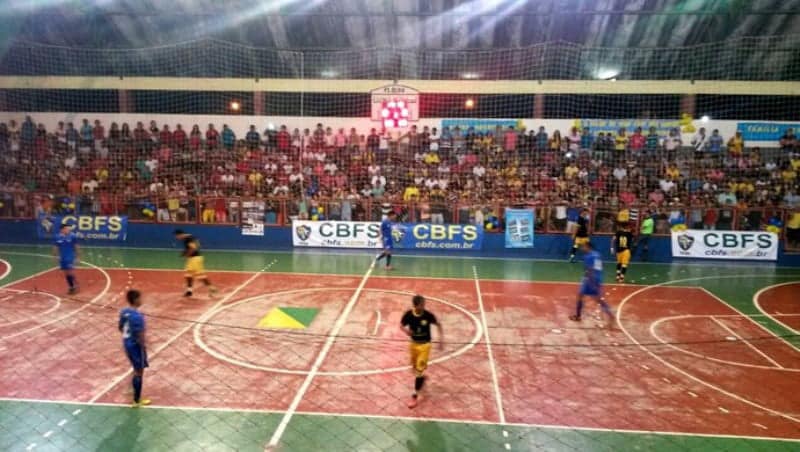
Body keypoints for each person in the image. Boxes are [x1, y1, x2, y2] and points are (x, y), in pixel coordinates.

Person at [400, 294, 443, 409]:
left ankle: (414, 396)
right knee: (415, 370)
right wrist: (406, 331)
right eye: (422, 305)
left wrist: (441, 340)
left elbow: (439, 324)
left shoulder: (428, 315)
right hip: (413, 345)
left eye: (424, 304)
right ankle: (422, 378)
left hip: (425, 346)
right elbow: (401, 325)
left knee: (418, 372)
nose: (424, 306)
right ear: (416, 305)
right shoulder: (409, 314)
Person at [569, 241, 615, 328]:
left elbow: (589, 270)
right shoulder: (597, 254)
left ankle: (611, 317)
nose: (582, 248)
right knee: (580, 295)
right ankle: (578, 316)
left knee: (598, 299)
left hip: (591, 280)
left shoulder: (588, 256)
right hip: (597, 278)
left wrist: (591, 282)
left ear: (588, 247)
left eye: (583, 247)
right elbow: (599, 267)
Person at [119, 289, 150, 407]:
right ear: (136, 300)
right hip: (135, 346)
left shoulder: (124, 312)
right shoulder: (138, 316)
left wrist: (127, 339)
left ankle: (131, 388)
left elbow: (120, 327)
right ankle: (136, 400)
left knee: (135, 368)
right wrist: (143, 345)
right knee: (139, 371)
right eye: (140, 298)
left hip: (126, 343)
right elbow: (140, 334)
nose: (142, 300)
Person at [174, 229, 217, 297]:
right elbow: (196, 245)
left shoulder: (187, 238)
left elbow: (193, 248)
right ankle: (189, 291)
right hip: (193, 259)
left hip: (195, 259)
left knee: (200, 276)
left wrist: (187, 254)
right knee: (188, 275)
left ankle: (211, 288)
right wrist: (185, 252)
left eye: (177, 236)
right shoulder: (191, 237)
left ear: (180, 234)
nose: (177, 238)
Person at [53, 223, 79, 294]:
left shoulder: (73, 236)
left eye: (69, 229)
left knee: (69, 271)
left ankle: (72, 287)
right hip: (63, 257)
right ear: (62, 230)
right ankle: (73, 283)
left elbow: (76, 246)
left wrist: (77, 257)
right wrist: (55, 256)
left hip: (70, 257)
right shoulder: (57, 237)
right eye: (67, 229)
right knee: (66, 273)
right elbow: (56, 247)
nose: (68, 230)